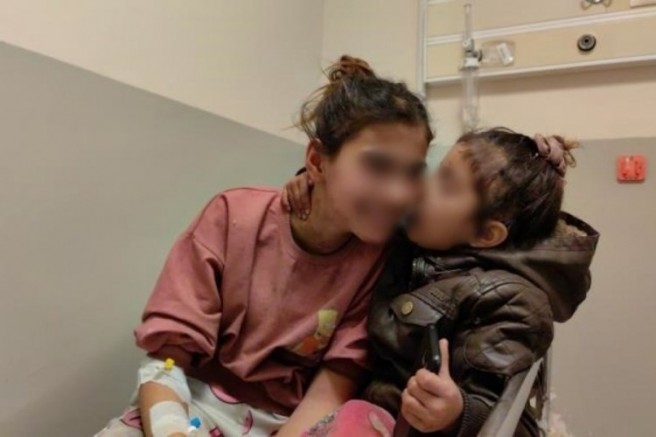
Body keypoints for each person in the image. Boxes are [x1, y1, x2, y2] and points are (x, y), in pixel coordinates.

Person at [95, 55, 433, 437]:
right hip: (190, 401)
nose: (399, 193)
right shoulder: (233, 216)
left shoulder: (381, 259)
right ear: (316, 161)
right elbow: (167, 359)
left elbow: (333, 385)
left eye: (412, 173)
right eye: (377, 166)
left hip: (287, 423)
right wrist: (171, 428)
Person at [284, 128, 600, 436]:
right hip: (365, 407)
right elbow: (366, 206)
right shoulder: (420, 242)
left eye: (446, 186)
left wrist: (457, 413)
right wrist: (316, 185)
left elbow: (504, 416)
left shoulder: (512, 301)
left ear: (485, 234)